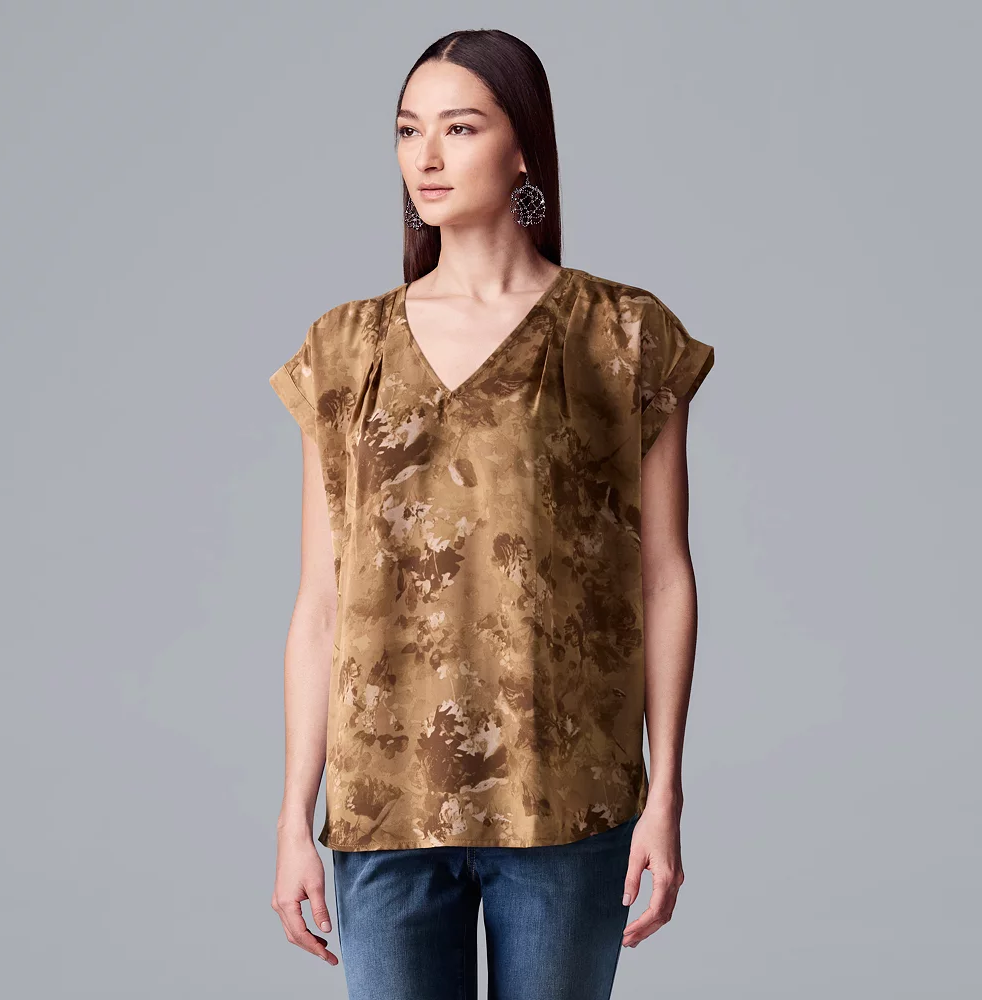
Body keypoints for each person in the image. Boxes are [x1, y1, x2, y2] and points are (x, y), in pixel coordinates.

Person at [268, 28, 714, 1000]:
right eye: (407, 130)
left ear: (522, 150)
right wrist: (294, 815)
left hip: (566, 798)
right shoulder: (344, 349)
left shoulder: (622, 335)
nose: (425, 156)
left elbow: (663, 576)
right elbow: (321, 602)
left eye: (459, 128)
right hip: (383, 807)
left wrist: (666, 791)